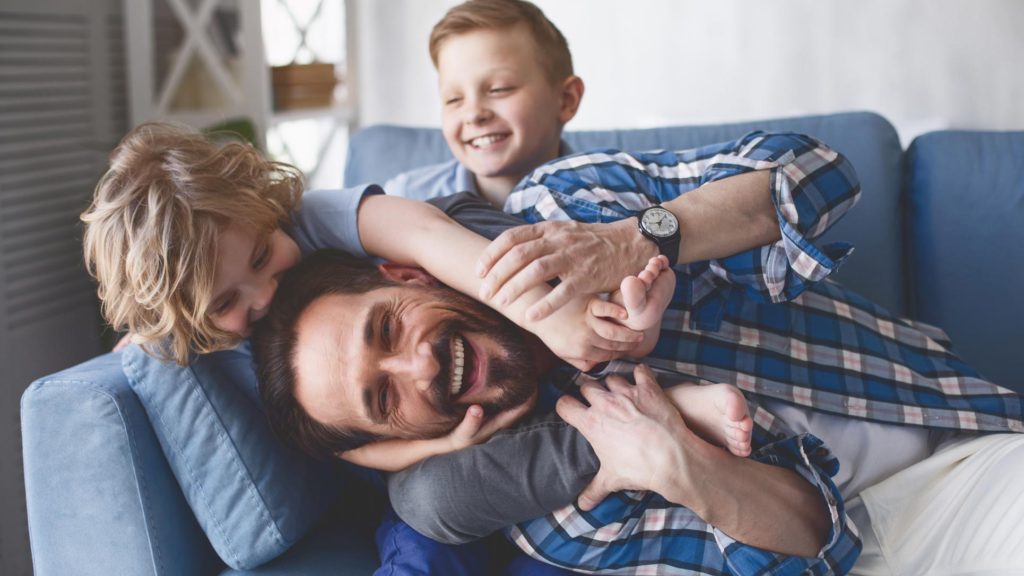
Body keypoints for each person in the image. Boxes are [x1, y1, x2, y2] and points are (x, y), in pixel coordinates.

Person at [253, 131, 1024, 575]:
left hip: (963, 435)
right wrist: (677, 464)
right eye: (383, 401)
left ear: (405, 273)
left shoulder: (565, 209)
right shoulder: (553, 515)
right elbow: (813, 556)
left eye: (387, 330)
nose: (419, 369)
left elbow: (819, 174)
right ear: (398, 446)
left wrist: (629, 240)